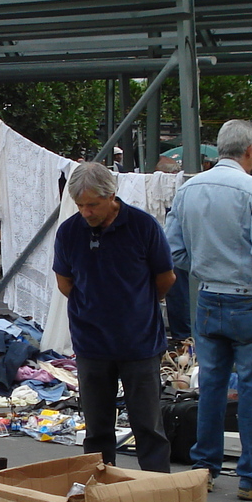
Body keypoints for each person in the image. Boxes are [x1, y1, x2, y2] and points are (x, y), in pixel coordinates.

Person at [165, 120, 252, 500]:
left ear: (218, 149)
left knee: (211, 387)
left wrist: (205, 262)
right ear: (251, 152)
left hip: (208, 297)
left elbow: (173, 251)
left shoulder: (188, 189)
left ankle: (204, 469)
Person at [53, 162, 175, 474]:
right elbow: (64, 282)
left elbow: (166, 278)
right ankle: (98, 492)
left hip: (140, 343)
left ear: (112, 196)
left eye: (92, 205)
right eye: (80, 205)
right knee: (97, 431)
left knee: (148, 427)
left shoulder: (143, 226)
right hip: (92, 345)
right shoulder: (69, 232)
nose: (86, 212)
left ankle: (155, 490)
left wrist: (137, 305)